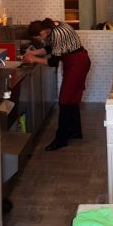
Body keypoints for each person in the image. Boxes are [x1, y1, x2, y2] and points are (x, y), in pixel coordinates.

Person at [22, 18, 92, 151]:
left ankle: (61, 139)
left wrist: (33, 59)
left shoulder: (57, 34)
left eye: (38, 37)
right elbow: (50, 48)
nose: (40, 40)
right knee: (72, 99)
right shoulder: (53, 26)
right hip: (75, 62)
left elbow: (53, 62)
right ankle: (75, 131)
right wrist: (33, 53)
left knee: (64, 101)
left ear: (42, 32)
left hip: (77, 64)